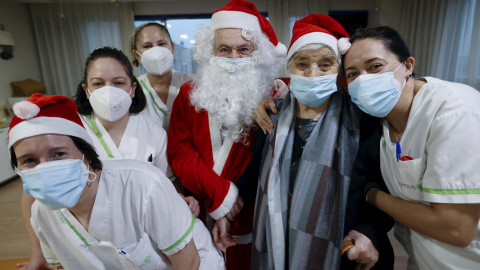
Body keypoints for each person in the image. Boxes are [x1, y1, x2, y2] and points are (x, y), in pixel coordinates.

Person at [9, 93, 225, 269]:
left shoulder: (142, 184)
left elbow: (189, 262)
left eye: (58, 154)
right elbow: (64, 264)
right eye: (29, 160)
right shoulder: (42, 214)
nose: (46, 167)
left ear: (86, 153)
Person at [251, 15, 394, 270]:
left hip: (343, 250)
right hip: (277, 244)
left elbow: (382, 188)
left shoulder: (363, 120)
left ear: (338, 69)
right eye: (302, 64)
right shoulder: (270, 116)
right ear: (289, 68)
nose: (313, 74)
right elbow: (253, 178)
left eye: (325, 64)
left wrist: (369, 233)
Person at [343, 26, 480, 269]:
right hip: (422, 259)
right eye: (352, 74)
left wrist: (372, 195)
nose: (363, 80)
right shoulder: (380, 123)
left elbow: (456, 228)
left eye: (375, 66)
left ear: (407, 66)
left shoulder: (453, 110)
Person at [167, 0, 286, 269]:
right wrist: (221, 195)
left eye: (244, 49)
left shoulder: (274, 96)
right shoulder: (189, 93)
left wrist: (232, 204)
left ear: (259, 53)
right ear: (210, 51)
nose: (233, 58)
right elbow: (179, 152)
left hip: (251, 213)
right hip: (199, 210)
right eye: (224, 49)